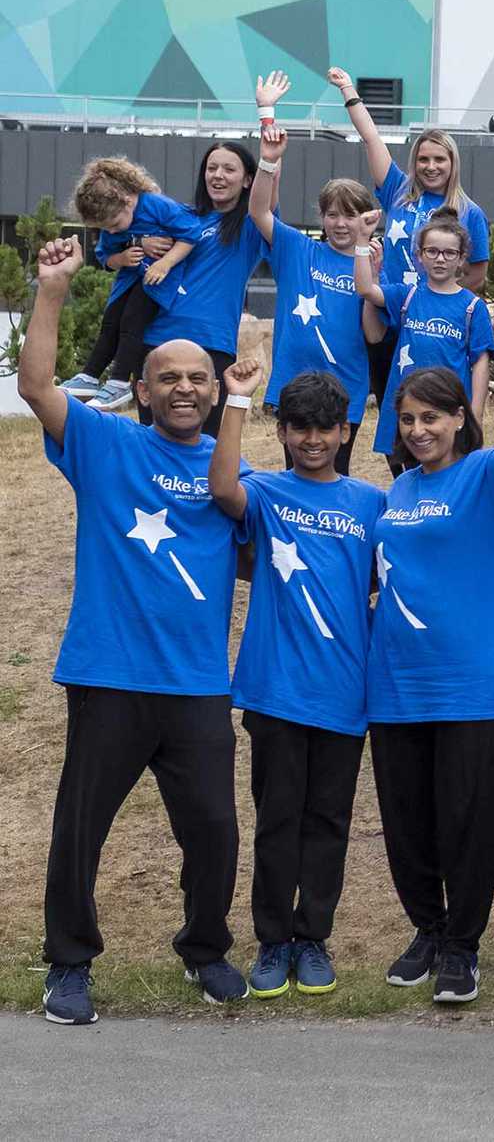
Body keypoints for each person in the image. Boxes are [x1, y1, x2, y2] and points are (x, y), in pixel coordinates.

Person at [25, 236, 247, 1025]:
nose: (184, 389)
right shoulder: (107, 442)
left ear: (214, 393)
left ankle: (205, 949)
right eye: (168, 379)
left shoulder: (234, 477)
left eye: (196, 378)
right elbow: (39, 385)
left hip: (195, 684)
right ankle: (69, 965)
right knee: (80, 829)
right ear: (143, 393)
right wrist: (52, 289)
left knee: (216, 832)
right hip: (109, 673)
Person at [366, 305, 494, 1002]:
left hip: (474, 685)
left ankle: (463, 947)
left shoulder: (487, 477)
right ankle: (428, 928)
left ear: (458, 420)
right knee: (408, 823)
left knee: (468, 822)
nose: (419, 431)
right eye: (409, 419)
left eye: (432, 418)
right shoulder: (394, 494)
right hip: (395, 686)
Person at [207, 361, 383, 999]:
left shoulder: (371, 503)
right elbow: (222, 487)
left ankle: (313, 938)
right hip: (275, 691)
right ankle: (273, 939)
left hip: (345, 693)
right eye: (299, 428)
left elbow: (382, 585)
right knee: (277, 820)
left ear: (344, 432)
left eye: (325, 429)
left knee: (328, 822)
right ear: (282, 431)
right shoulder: (269, 492)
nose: (312, 440)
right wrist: (236, 400)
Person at [245, 122, 377, 476]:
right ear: (321, 217)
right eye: (332, 214)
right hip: (294, 380)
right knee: (298, 471)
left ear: (367, 219)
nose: (340, 223)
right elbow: (258, 211)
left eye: (350, 215)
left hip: (345, 387)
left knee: (337, 474)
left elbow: (377, 330)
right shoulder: (297, 249)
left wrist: (373, 272)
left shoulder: (374, 265)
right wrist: (269, 162)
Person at [137, 133, 267, 437]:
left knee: (204, 442)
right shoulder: (181, 217)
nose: (218, 175)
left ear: (248, 180)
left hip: (212, 345)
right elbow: (125, 230)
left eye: (229, 169)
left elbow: (267, 198)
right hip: (158, 339)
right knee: (154, 440)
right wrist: (141, 241)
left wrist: (269, 143)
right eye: (211, 168)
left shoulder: (250, 225)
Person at [352, 203, 494, 475]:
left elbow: (480, 364)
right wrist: (361, 240)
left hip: (448, 412)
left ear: (462, 257)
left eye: (449, 252)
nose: (440, 259)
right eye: (432, 251)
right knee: (411, 477)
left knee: (449, 481)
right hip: (410, 411)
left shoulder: (472, 308)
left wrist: (475, 416)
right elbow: (365, 289)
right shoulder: (407, 296)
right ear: (419, 255)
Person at [56, 157, 204, 412]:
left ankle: (120, 381)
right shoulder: (112, 223)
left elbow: (192, 233)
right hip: (127, 280)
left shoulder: (155, 205)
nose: (111, 232)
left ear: (127, 201)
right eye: (105, 228)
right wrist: (123, 256)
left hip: (156, 280)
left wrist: (165, 263)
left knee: (131, 322)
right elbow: (105, 257)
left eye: (113, 225)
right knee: (111, 322)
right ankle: (90, 376)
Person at [327, 68, 490, 295]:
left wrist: (436, 299)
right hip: (387, 304)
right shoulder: (398, 189)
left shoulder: (470, 212)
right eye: (423, 159)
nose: (431, 167)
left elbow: (477, 275)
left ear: (453, 163)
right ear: (414, 162)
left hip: (428, 317)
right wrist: (347, 89)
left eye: (439, 159)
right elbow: (371, 137)